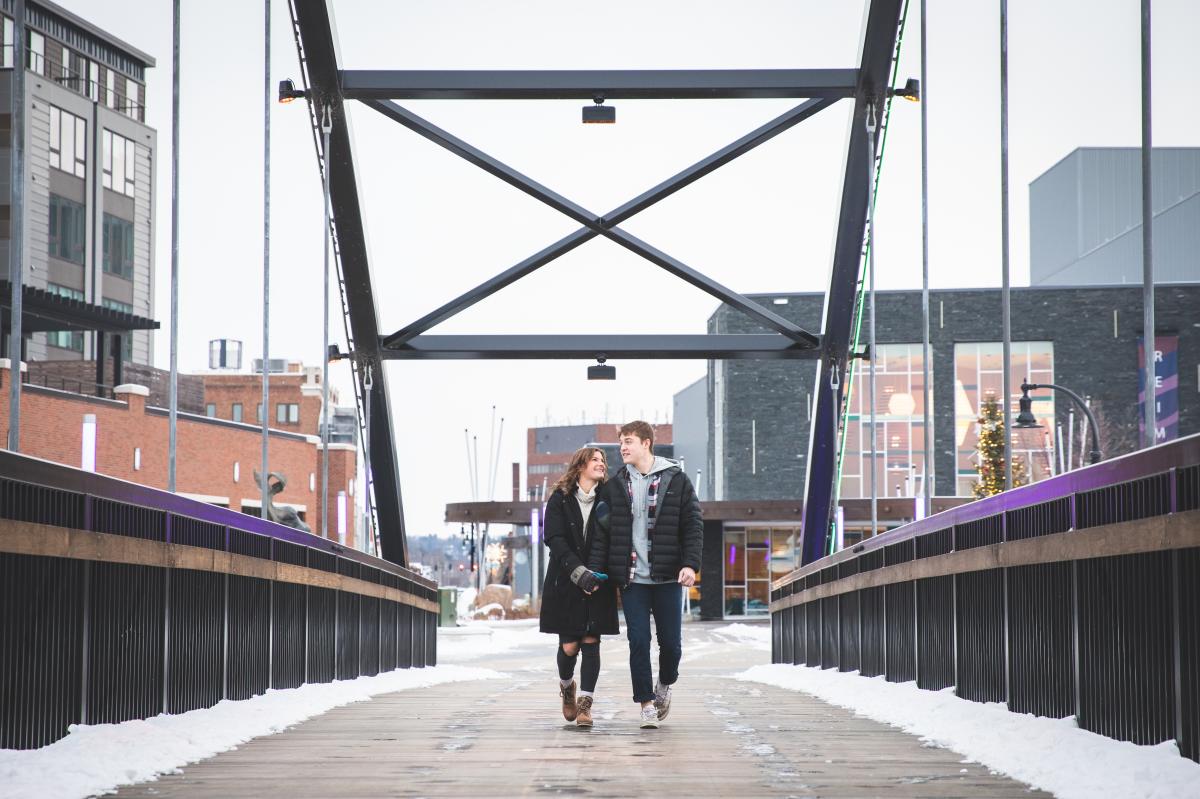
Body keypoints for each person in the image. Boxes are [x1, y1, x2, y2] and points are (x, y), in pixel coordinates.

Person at [587, 421, 703, 729]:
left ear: (646, 443)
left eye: (628, 441)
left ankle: (665, 684)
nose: (623, 447)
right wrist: (597, 575)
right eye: (621, 442)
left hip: (667, 578)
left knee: (672, 645)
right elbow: (602, 534)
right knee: (638, 641)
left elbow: (692, 524)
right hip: (632, 579)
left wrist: (690, 564)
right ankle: (646, 703)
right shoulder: (614, 486)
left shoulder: (676, 479)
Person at [538, 446, 619, 727]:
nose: (601, 464)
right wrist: (578, 573)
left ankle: (586, 704)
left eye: (603, 460)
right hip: (566, 581)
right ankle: (567, 685)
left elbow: (612, 538)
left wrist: (595, 575)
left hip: (599, 582)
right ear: (580, 465)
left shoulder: (607, 499)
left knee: (592, 642)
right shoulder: (560, 499)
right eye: (594, 459)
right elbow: (554, 539)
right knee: (570, 646)